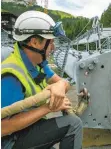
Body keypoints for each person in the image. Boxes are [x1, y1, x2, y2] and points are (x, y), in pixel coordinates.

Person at [1, 10, 83, 149]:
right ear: (35, 42)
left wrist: (60, 86)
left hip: (29, 130)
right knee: (73, 124)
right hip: (11, 141)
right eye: (50, 42)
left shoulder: (39, 64)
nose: (53, 47)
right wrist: (49, 107)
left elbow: (64, 83)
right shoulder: (12, 75)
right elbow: (3, 128)